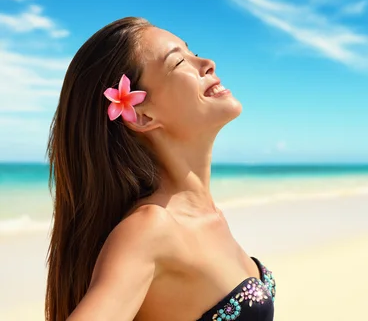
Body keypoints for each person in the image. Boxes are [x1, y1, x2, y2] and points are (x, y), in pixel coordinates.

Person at [45, 17, 276, 321]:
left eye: (192, 52)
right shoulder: (150, 229)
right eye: (179, 61)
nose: (207, 63)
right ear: (141, 115)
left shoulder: (206, 214)